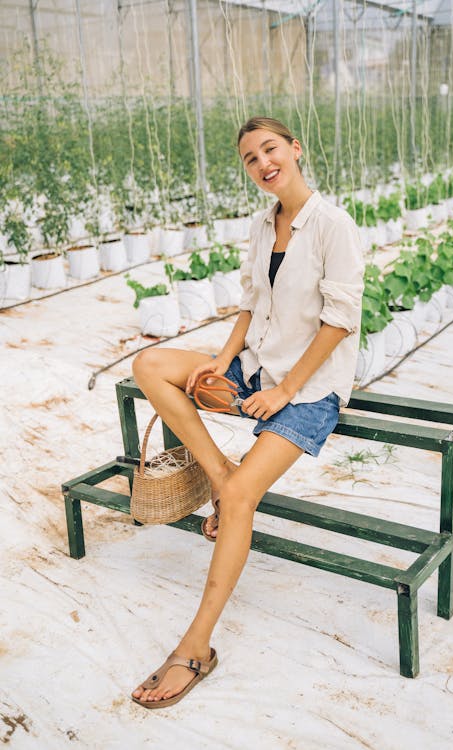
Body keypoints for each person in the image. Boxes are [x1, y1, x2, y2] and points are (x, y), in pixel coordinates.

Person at [131, 116, 364, 708]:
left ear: (295, 148)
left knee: (241, 503)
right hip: (256, 367)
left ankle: (195, 649)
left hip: (308, 392)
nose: (263, 163)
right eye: (250, 159)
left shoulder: (333, 225)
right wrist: (220, 362)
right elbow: (250, 305)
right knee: (151, 366)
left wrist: (283, 395)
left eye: (270, 149)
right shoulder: (265, 223)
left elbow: (340, 322)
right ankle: (218, 473)